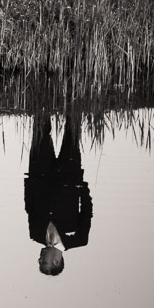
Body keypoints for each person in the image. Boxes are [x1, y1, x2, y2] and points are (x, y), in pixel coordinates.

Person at [24, 113, 93, 276]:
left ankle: (42, 98)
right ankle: (73, 97)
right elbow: (86, 212)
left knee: (40, 130)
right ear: (56, 261)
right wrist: (81, 186)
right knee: (72, 131)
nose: (39, 259)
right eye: (44, 262)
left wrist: (29, 182)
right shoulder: (79, 239)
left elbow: (30, 207)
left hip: (40, 175)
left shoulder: (34, 234)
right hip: (68, 178)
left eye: (40, 262)